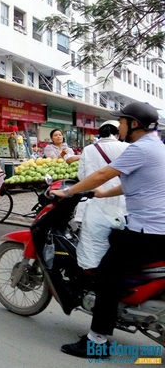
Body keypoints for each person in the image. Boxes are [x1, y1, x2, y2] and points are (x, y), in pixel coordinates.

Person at [51, 102, 165, 359]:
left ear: (134, 124)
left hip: (148, 232)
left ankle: (97, 341)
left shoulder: (140, 148)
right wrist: (103, 193)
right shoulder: (157, 147)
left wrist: (68, 191)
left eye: (122, 121)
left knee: (106, 275)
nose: (119, 126)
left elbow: (103, 173)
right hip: (157, 228)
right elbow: (136, 184)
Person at [72, 120, 128, 269]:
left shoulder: (88, 149)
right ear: (117, 133)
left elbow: (82, 176)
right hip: (121, 202)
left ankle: (93, 275)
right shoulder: (126, 147)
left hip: (95, 202)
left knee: (93, 245)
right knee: (117, 243)